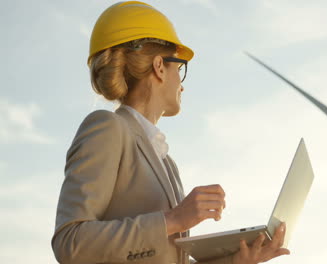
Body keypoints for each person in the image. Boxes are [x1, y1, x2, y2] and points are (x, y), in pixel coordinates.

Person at [51, 1, 290, 264]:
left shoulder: (166, 162)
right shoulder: (107, 128)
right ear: (159, 66)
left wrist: (237, 261)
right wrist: (174, 219)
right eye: (180, 68)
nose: (182, 84)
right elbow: (70, 242)